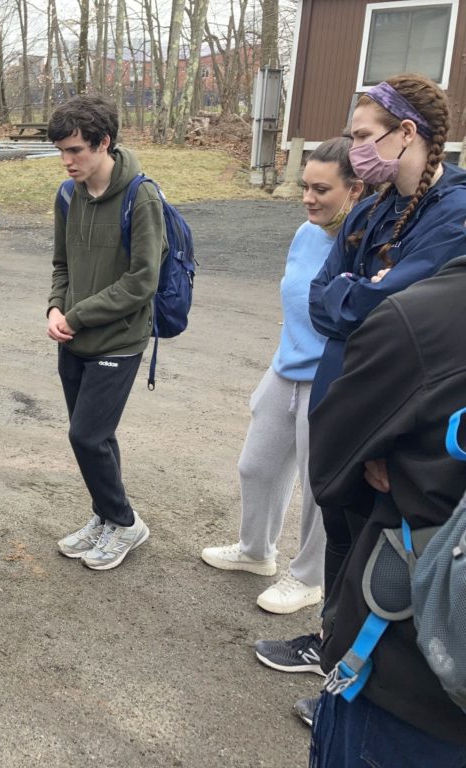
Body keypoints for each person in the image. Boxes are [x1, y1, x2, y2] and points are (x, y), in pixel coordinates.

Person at [255, 74, 466, 707]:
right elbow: (327, 299)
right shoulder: (373, 206)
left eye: (364, 136)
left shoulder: (453, 213)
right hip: (342, 401)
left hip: (397, 417)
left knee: (388, 554)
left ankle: (360, 687)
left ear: (408, 135)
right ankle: (332, 648)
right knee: (344, 536)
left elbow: (397, 316)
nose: (356, 150)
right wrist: (364, 286)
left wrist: (363, 289)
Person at [306, 256, 466, 766]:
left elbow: (331, 468)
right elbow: (328, 295)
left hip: (412, 682)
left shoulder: (422, 321)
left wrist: (410, 476)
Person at [202, 138, 366, 614]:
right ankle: (256, 552)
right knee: (257, 465)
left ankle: (309, 578)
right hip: (285, 370)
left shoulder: (365, 246)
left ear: (355, 190)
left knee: (319, 487)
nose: (309, 198)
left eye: (322, 189)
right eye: (305, 187)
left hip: (330, 380)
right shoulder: (305, 232)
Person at [47, 93, 165, 571]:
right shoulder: (66, 195)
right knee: (96, 436)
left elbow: (143, 281)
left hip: (119, 339)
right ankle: (105, 515)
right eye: (61, 150)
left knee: (87, 436)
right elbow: (61, 263)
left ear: (104, 143)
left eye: (75, 150)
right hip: (73, 337)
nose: (67, 160)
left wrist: (78, 315)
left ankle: (125, 523)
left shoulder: (142, 197)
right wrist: (56, 306)